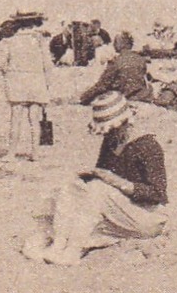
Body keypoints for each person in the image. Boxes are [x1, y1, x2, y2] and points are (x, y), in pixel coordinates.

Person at [22, 92, 168, 265]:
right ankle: (59, 242)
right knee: (71, 186)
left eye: (114, 129)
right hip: (119, 208)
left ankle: (74, 248)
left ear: (126, 123)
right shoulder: (111, 141)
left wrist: (116, 182)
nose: (110, 134)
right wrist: (89, 178)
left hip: (146, 216)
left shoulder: (147, 146)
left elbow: (157, 194)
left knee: (98, 190)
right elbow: (103, 174)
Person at [0, 14, 54, 162]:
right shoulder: (40, 41)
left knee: (15, 118)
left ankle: (11, 153)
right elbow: (48, 65)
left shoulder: (9, 42)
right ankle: (35, 153)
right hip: (37, 81)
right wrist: (47, 84)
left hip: (17, 81)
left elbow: (2, 65)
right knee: (34, 119)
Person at [77, 30, 152, 104]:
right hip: (142, 97)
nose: (113, 45)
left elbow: (102, 85)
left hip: (126, 100)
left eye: (115, 42)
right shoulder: (140, 59)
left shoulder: (115, 62)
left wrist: (84, 98)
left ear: (121, 44)